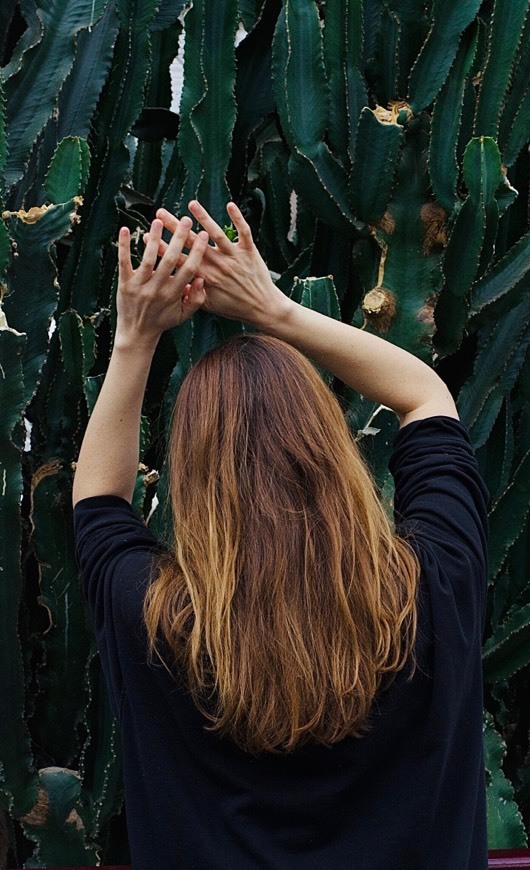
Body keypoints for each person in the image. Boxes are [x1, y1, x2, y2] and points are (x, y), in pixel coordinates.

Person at [73, 201, 489, 869]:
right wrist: (274, 309)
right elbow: (426, 400)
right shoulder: (434, 586)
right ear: (331, 449)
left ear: (195, 479)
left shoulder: (153, 619)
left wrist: (135, 337)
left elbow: (97, 501)